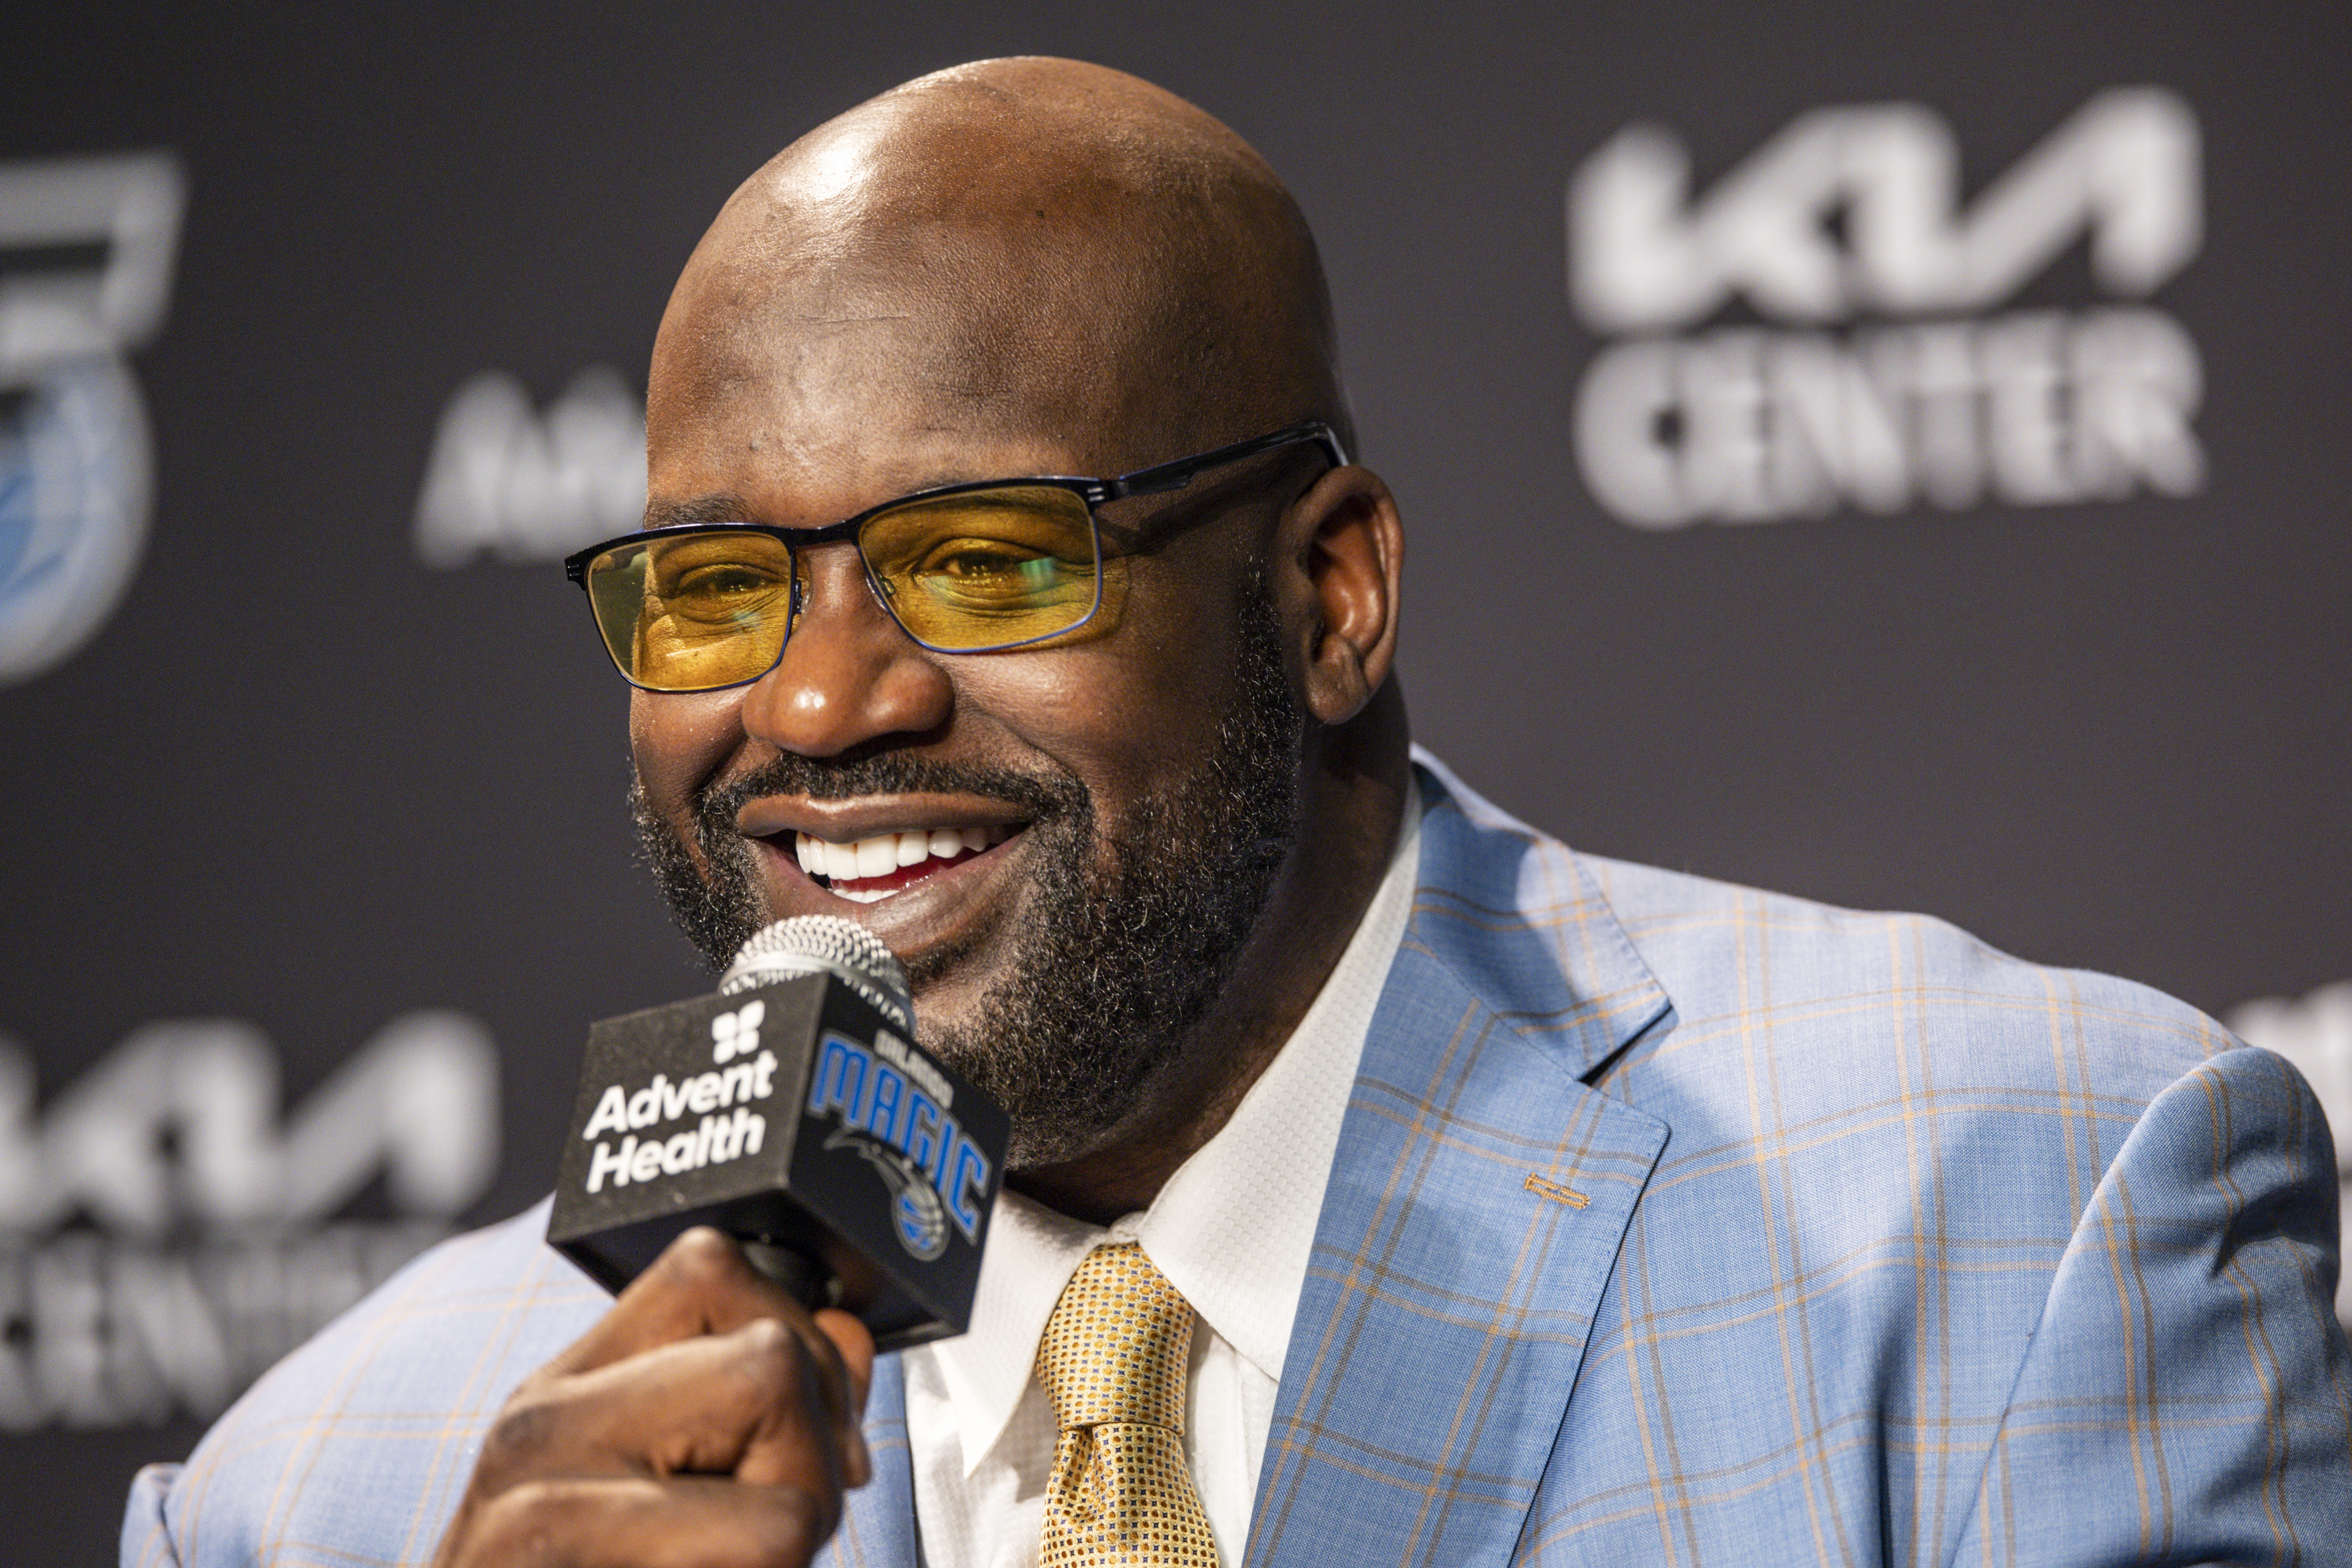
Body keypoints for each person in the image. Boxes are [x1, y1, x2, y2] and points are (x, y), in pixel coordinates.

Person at [123, 57, 2348, 1568]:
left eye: (987, 558)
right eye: (713, 591)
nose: (816, 699)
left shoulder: (2015, 1239)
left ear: (1333, 592)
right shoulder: (325, 1490)